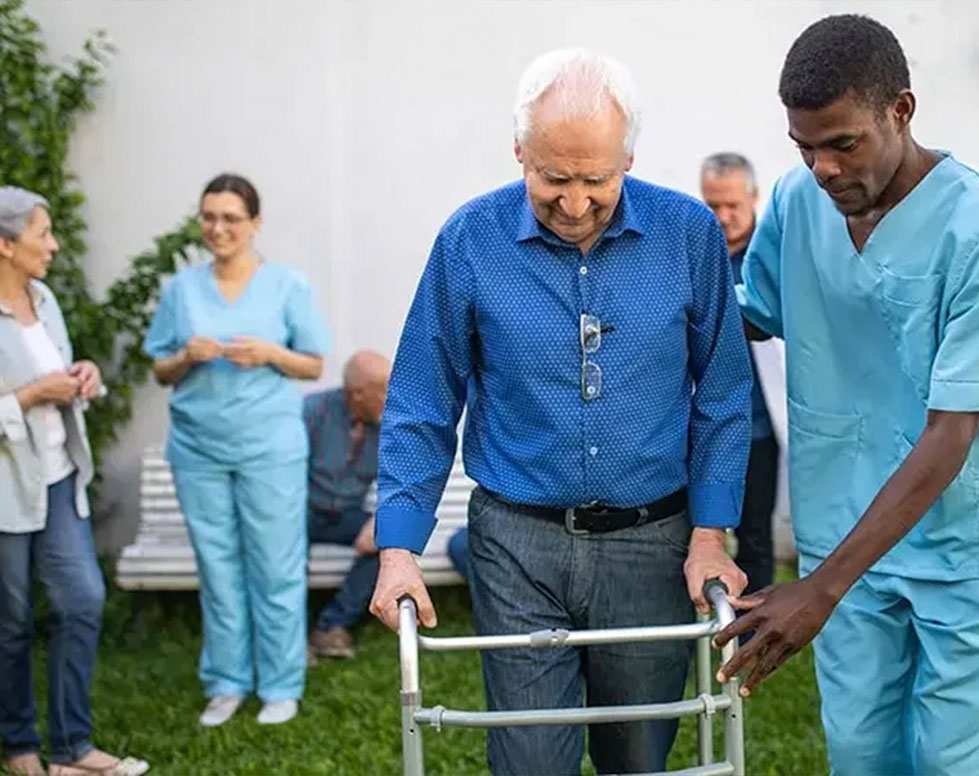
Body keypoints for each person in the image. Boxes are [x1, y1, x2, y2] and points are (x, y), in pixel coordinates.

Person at [369, 49, 753, 775]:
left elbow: (725, 396)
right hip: (518, 543)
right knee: (528, 757)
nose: (574, 203)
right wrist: (398, 553)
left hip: (653, 540)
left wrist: (709, 535)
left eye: (596, 180)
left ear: (628, 158)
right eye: (553, 178)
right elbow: (422, 400)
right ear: (520, 150)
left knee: (638, 753)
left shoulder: (689, 234)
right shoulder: (468, 240)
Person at [713, 16, 979, 776]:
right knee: (862, 752)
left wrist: (820, 589)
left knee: (948, 760)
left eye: (843, 143)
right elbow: (750, 316)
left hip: (969, 540)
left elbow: (952, 430)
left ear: (901, 110)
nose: (823, 167)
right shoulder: (799, 206)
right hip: (846, 522)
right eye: (805, 147)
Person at [143, 174, 331, 727]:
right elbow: (160, 369)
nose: (217, 228)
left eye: (230, 217)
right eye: (208, 217)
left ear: (255, 223)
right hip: (198, 449)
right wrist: (186, 356)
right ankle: (226, 681)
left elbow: (314, 363)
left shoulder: (287, 286)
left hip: (268, 446)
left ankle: (280, 683)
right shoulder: (181, 291)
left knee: (275, 567)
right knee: (218, 568)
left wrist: (272, 352)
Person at [0, 187, 148, 776]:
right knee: (10, 618)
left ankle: (71, 749)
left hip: (60, 477)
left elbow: (55, 376)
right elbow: (31, 392)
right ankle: (19, 746)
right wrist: (34, 394)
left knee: (82, 599)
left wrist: (82, 377)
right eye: (42, 233)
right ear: (5, 244)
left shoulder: (44, 300)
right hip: (9, 489)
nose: (54, 245)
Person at [700, 153, 780, 594]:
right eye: (713, 205)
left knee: (754, 533)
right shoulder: (697, 254)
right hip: (703, 428)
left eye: (732, 205)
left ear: (753, 197)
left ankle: (754, 628)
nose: (724, 217)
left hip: (759, 428)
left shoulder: (769, 257)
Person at [305, 350, 390, 660]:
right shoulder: (312, 412)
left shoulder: (387, 425)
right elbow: (284, 475)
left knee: (390, 541)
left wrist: (380, 518)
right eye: (383, 389)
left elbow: (396, 480)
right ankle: (289, 636)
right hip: (301, 511)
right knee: (283, 548)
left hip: (347, 515)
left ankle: (331, 627)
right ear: (357, 393)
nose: (390, 397)